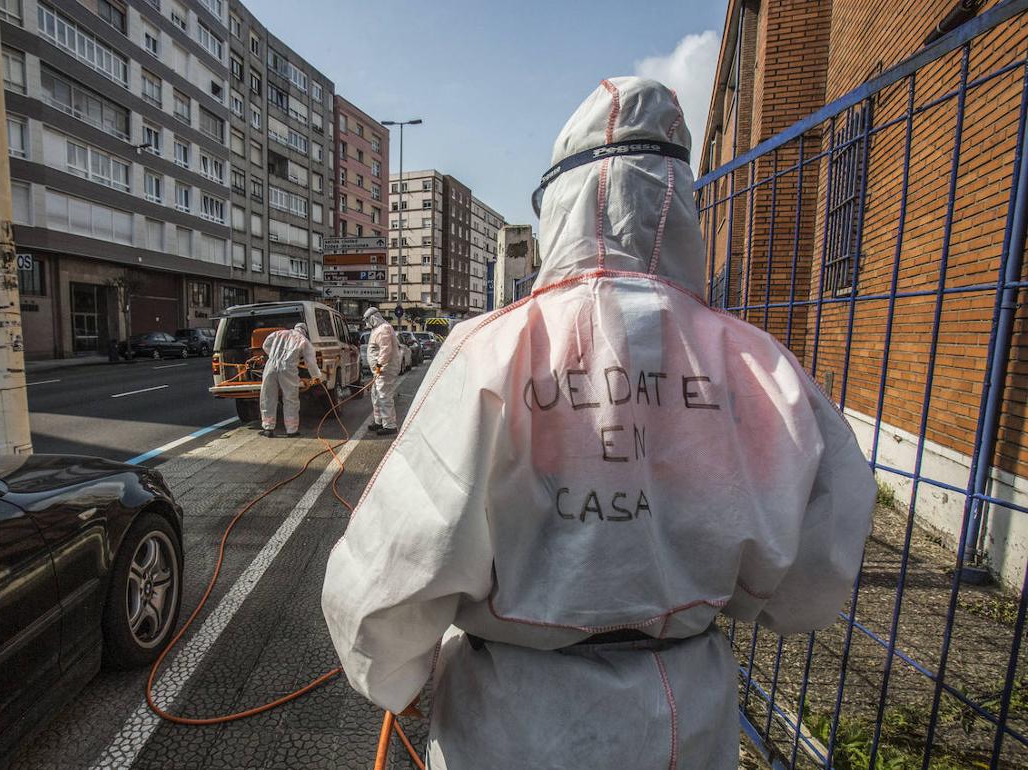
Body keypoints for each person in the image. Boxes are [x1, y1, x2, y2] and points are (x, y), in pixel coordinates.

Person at [322, 77, 876, 769]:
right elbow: (815, 573)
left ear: (560, 204)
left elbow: (397, 564)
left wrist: (393, 674)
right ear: (679, 204)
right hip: (685, 717)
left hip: (512, 723)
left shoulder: (492, 350)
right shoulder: (758, 367)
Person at [258, 322, 322, 438]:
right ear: (304, 331)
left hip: (271, 366)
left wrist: (274, 355)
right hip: (288, 368)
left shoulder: (279, 333)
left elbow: (265, 345)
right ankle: (291, 430)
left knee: (268, 397)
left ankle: (268, 428)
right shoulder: (303, 340)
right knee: (290, 398)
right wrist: (316, 376)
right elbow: (311, 362)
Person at [363, 307, 401, 436]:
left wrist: (379, 366)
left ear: (373, 318)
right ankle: (379, 421)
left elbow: (385, 350)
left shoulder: (383, 329)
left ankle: (390, 425)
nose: (367, 323)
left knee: (384, 396)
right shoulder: (377, 329)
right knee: (376, 395)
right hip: (379, 370)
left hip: (385, 370)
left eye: (367, 320)